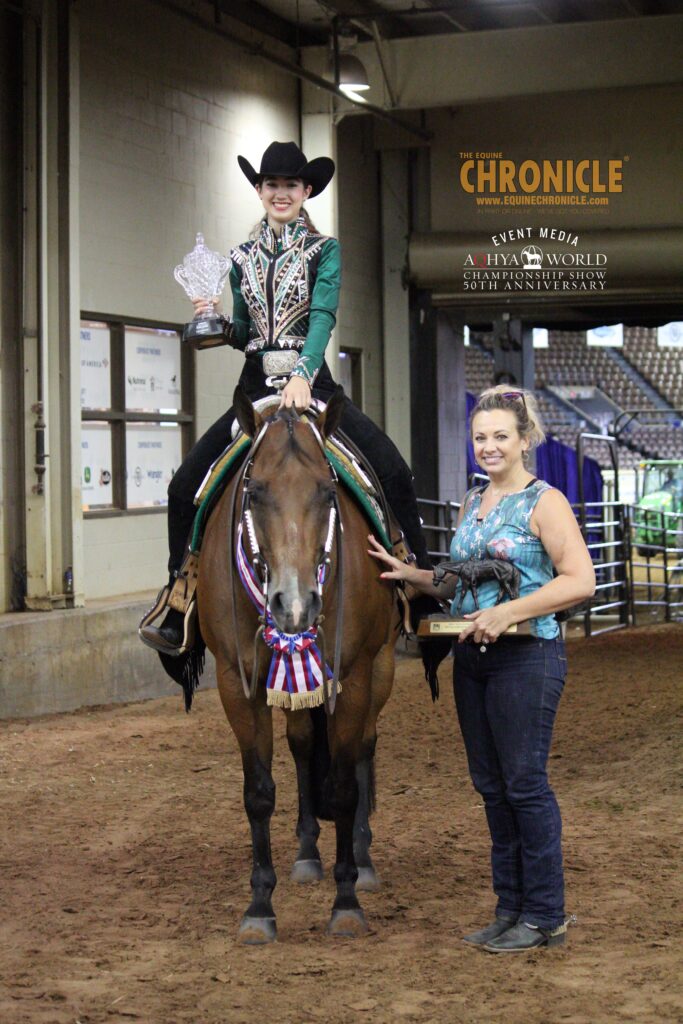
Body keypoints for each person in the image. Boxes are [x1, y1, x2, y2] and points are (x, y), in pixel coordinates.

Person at [140, 141, 431, 654]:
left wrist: (303, 371)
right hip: (255, 391)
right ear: (259, 191)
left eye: (290, 185)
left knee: (392, 469)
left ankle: (420, 586)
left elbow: (322, 316)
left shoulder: (325, 250)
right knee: (184, 483)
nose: (281, 193)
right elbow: (247, 330)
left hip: (312, 384)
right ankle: (179, 594)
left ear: (306, 191)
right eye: (271, 184)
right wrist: (213, 323)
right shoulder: (239, 258)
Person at [368, 385, 596, 953]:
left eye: (500, 437)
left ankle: (546, 915)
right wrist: (414, 575)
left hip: (527, 656)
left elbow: (580, 581)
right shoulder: (475, 503)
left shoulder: (545, 502)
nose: (488, 447)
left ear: (524, 440)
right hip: (473, 657)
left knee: (524, 785)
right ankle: (510, 909)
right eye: (480, 438)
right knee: (493, 788)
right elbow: (461, 577)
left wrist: (509, 611)